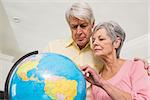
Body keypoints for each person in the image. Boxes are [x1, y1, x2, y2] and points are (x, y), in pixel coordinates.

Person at [42, 2, 149, 100]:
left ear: (92, 24)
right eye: (74, 27)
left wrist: (144, 65)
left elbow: (119, 67)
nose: (78, 31)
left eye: (83, 26)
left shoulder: (100, 53)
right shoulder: (53, 48)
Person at [80, 21, 150, 100]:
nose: (95, 43)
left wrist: (102, 83)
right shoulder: (95, 82)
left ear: (116, 42)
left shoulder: (136, 67)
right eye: (93, 40)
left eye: (101, 39)